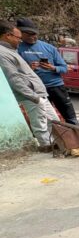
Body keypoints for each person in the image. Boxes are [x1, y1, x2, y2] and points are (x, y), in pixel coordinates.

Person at [0, 21, 59, 152]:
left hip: (38, 93)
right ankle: (47, 148)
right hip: (31, 95)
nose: (20, 41)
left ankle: (57, 144)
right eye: (18, 37)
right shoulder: (2, 53)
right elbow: (13, 78)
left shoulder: (10, 50)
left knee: (54, 121)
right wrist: (33, 97)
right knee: (40, 125)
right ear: (7, 35)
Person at [16, 17, 79, 126]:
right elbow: (14, 73)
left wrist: (52, 68)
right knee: (46, 121)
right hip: (36, 90)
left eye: (35, 34)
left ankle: (78, 136)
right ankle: (53, 137)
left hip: (56, 87)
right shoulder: (17, 49)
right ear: (21, 33)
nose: (33, 37)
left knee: (71, 118)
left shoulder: (49, 48)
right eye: (29, 34)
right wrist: (29, 69)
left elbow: (64, 68)